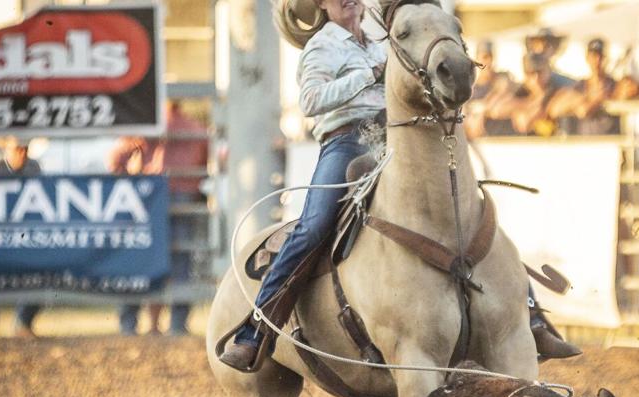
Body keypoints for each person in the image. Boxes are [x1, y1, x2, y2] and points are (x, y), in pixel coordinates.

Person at [218, 0, 578, 371]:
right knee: (313, 227)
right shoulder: (322, 45)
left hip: (398, 138)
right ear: (321, 5)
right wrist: (369, 75)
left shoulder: (380, 41)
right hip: (348, 142)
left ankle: (531, 316)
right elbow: (310, 100)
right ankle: (256, 330)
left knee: (469, 208)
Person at [108, 99, 207, 336]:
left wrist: (131, 179)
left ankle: (129, 323)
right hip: (183, 196)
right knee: (181, 260)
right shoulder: (194, 128)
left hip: (149, 197)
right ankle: (177, 324)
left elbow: (115, 160)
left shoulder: (148, 125)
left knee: (138, 258)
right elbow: (206, 161)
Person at [0, 136, 43, 338]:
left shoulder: (34, 167)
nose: (22, 153)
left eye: (25, 148)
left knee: (40, 274)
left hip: (23, 235)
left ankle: (23, 323)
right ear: (6, 147)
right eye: (17, 148)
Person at [550, 38, 621, 136]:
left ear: (606, 59)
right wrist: (586, 99)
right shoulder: (579, 86)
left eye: (600, 56)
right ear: (587, 58)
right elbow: (554, 109)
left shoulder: (615, 86)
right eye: (593, 56)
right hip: (585, 145)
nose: (597, 60)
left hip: (611, 145)